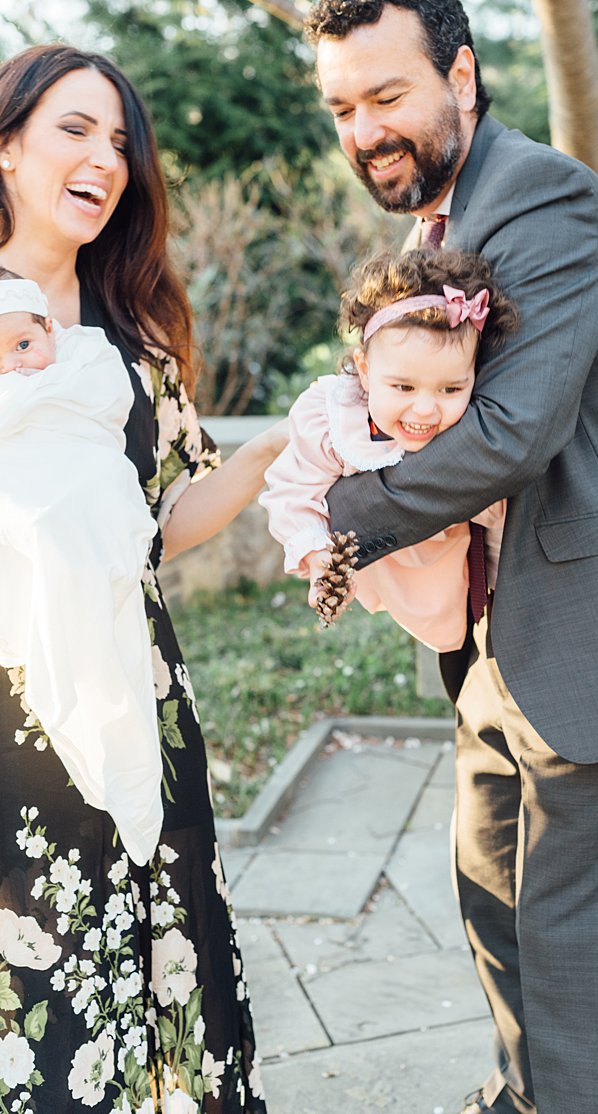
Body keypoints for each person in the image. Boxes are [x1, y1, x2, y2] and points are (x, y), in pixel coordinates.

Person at [304, 3, 598, 1112]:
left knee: (575, 962)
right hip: (502, 641)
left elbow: (512, 433)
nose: (365, 131)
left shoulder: (538, 197)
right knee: (496, 910)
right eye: (343, 108)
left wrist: (340, 508)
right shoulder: (443, 227)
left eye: (387, 96)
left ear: (461, 75)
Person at [0, 45, 286, 1111]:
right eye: (75, 129)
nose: (106, 158)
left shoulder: (138, 328)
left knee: (157, 952)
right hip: (8, 701)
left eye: (121, 141)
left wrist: (267, 457)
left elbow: (165, 522)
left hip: (141, 688)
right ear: (8, 147)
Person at [261, 248, 513, 649]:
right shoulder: (334, 420)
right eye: (403, 387)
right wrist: (319, 559)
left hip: (467, 585)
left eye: (451, 388)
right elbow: (292, 492)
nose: (426, 409)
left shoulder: (477, 422)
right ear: (364, 369)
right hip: (391, 574)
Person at [0, 271, 162, 866]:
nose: (17, 368)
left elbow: (99, 412)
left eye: (23, 345)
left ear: (50, 330)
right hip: (40, 524)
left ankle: (125, 772)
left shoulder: (86, 356)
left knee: (105, 651)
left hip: (95, 508)